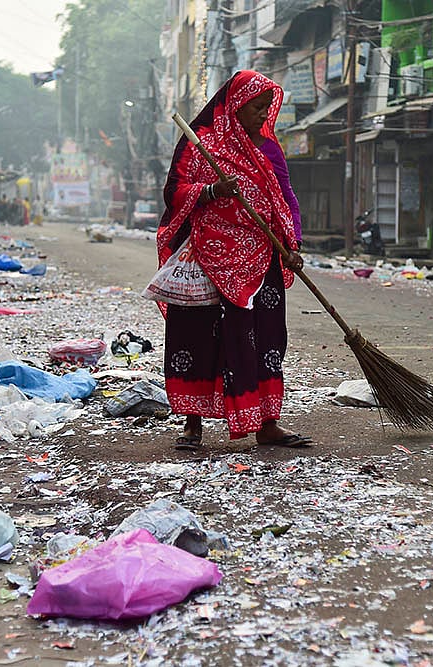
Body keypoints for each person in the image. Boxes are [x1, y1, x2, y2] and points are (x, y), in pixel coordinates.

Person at [154, 69, 311, 452]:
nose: (262, 114)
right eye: (256, 107)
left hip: (261, 260)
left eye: (266, 108)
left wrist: (293, 244)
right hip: (210, 258)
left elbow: (285, 198)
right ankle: (193, 425)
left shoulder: (269, 148)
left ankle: (267, 424)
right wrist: (211, 190)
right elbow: (174, 191)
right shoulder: (201, 144)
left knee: (266, 338)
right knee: (199, 336)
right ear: (237, 105)